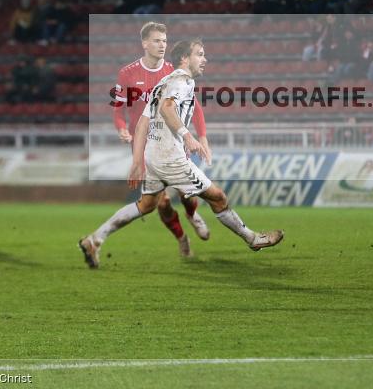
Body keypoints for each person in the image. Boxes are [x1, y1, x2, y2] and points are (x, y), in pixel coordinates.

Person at [79, 39, 284, 267]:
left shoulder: (162, 83)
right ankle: (253, 239)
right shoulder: (183, 82)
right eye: (200, 54)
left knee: (146, 205)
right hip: (170, 158)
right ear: (185, 58)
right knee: (218, 198)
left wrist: (138, 160)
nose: (204, 59)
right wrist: (187, 136)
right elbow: (167, 108)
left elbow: (142, 124)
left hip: (153, 156)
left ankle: (95, 239)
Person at [111, 22, 211, 257]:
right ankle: (182, 238)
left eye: (164, 41)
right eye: (157, 40)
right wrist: (122, 129)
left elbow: (195, 108)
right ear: (145, 43)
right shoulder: (127, 73)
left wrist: (202, 137)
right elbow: (118, 110)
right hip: (144, 145)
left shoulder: (173, 71)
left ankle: (192, 214)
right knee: (162, 203)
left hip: (172, 142)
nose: (162, 45)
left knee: (187, 192)